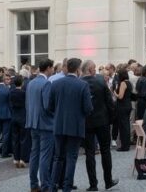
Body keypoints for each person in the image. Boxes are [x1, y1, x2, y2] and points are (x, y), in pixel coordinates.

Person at [47, 57, 94, 192]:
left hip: (59, 125)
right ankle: (67, 186)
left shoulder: (56, 84)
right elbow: (88, 108)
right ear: (78, 69)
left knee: (58, 157)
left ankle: (53, 185)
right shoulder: (82, 85)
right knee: (71, 157)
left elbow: (50, 106)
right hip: (75, 126)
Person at [81, 59, 116, 191]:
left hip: (86, 122)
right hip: (102, 121)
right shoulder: (101, 82)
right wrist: (111, 119)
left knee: (89, 153)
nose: (95, 71)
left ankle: (93, 184)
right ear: (90, 69)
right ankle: (108, 181)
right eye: (94, 69)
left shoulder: (80, 83)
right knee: (105, 151)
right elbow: (110, 102)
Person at [26, 58, 55, 192]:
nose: (53, 70)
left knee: (34, 154)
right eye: (52, 68)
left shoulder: (31, 83)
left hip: (33, 122)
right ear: (48, 68)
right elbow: (47, 105)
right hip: (45, 124)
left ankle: (33, 184)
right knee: (45, 156)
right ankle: (45, 185)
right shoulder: (46, 83)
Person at [9, 75, 28, 168]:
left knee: (15, 138)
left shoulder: (11, 92)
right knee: (23, 139)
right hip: (22, 116)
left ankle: (15, 158)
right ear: (22, 83)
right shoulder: (24, 93)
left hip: (14, 116)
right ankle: (22, 159)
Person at [113, 63, 132, 152]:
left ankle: (124, 146)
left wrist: (114, 93)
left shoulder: (123, 83)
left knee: (123, 126)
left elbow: (120, 96)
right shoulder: (129, 83)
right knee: (126, 125)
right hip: (128, 105)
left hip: (122, 106)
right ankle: (126, 144)